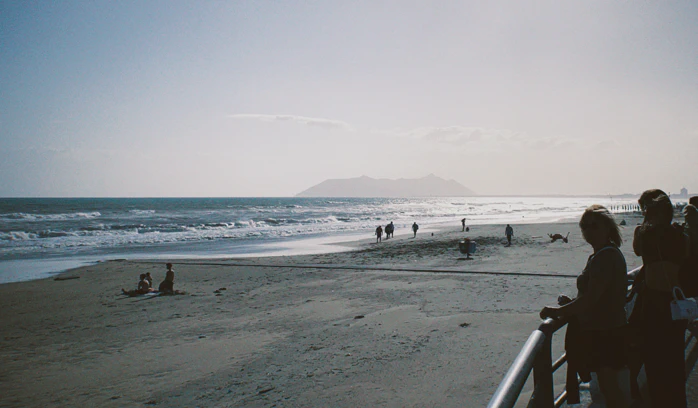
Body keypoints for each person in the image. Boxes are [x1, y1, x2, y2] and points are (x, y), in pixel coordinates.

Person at [540, 205, 630, 407]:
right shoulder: (602, 254)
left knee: (610, 388)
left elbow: (592, 299)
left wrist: (558, 311)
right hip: (604, 328)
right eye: (584, 226)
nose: (588, 230)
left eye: (594, 226)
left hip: (606, 331)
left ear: (607, 228)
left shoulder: (606, 256)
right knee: (608, 387)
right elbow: (596, 295)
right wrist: (573, 303)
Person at [631, 189, 688, 407]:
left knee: (654, 360)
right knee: (674, 359)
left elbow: (637, 251)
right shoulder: (680, 235)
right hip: (675, 302)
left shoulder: (644, 233)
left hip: (653, 302)